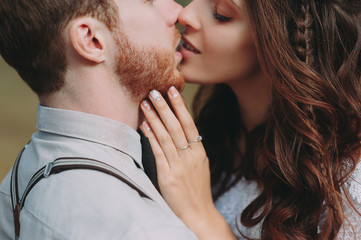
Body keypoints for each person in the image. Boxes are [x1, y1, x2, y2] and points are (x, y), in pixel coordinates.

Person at [140, 0, 361, 239]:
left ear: (281, 39)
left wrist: (202, 217)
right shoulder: (218, 135)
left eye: (220, 14)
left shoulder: (349, 183)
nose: (185, 15)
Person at [0, 0, 198, 239]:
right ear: (91, 41)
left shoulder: (15, 184)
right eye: (149, 2)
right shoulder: (143, 229)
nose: (178, 11)